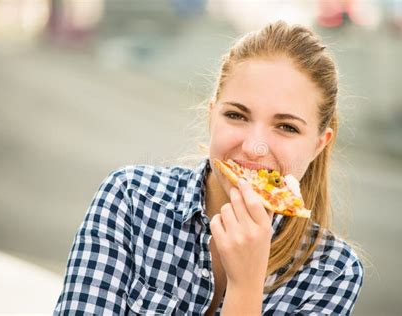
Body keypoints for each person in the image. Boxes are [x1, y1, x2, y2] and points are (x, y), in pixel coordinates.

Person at [54, 20, 364, 315]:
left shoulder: (333, 272)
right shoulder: (131, 200)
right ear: (211, 115)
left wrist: (246, 286)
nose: (254, 147)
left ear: (318, 144)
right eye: (237, 116)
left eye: (286, 127)